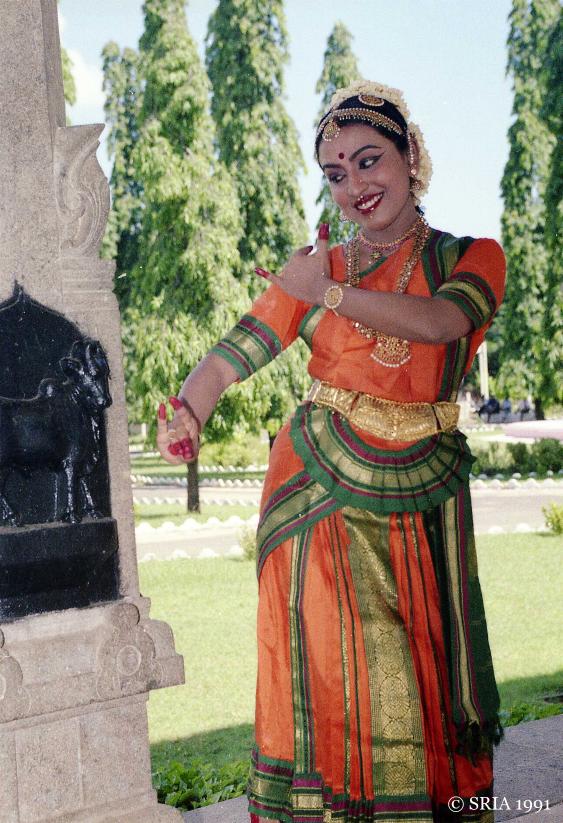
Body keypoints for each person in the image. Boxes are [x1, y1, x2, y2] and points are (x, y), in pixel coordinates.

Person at [157, 80, 506, 823]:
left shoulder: (471, 256)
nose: (354, 186)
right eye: (335, 174)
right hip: (318, 487)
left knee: (422, 667)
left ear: (411, 155)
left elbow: (441, 324)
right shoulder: (318, 267)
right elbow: (233, 353)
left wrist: (328, 294)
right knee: (329, 669)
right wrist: (189, 409)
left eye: (368, 160)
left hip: (425, 488)